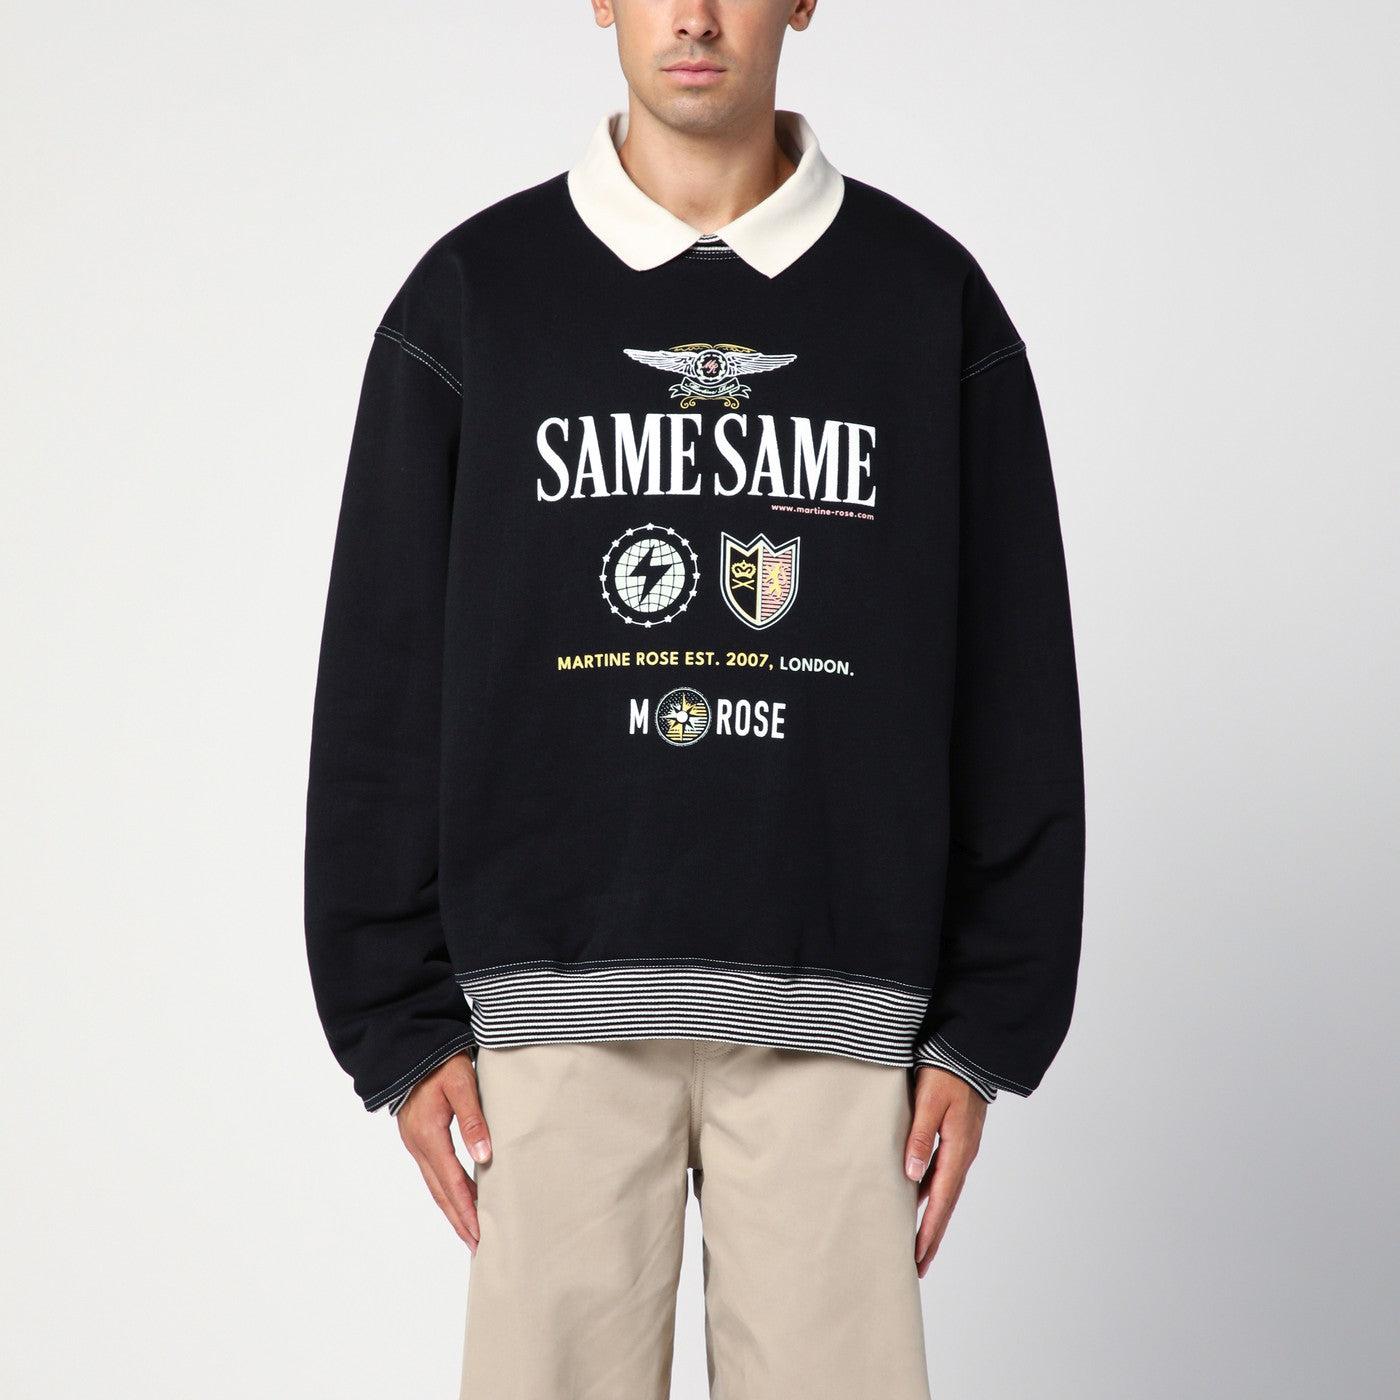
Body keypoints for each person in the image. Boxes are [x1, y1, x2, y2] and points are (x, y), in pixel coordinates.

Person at [303, 2, 1085, 1395]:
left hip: (843, 1012)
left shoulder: (925, 303)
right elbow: (383, 668)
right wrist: (399, 1026)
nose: (696, 17)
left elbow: (1015, 679)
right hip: (547, 1013)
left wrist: (984, 1030)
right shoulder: (478, 297)